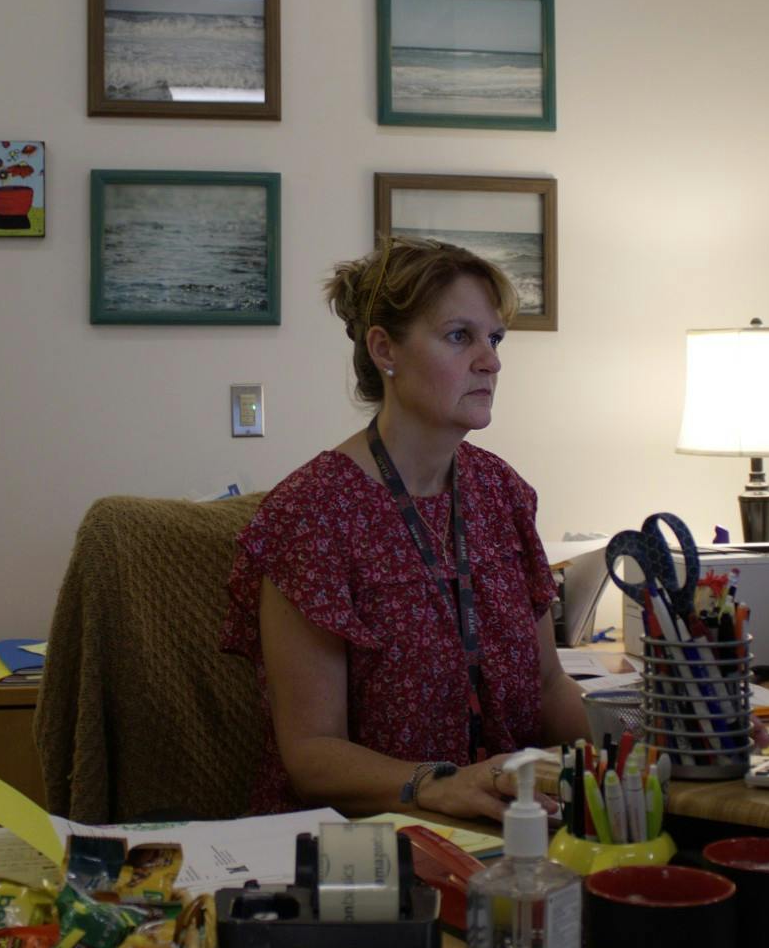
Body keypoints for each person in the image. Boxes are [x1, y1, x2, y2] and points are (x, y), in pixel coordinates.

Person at [220, 236, 590, 822]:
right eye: (459, 336)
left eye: (494, 339)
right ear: (385, 349)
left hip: (515, 824)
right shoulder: (313, 513)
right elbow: (311, 754)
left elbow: (549, 689)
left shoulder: (503, 494)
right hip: (367, 842)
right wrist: (438, 785)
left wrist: (648, 748)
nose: (490, 360)